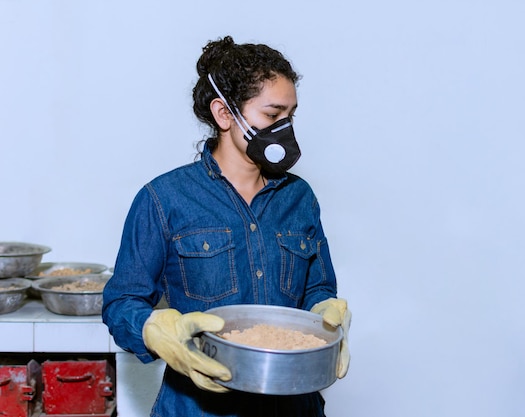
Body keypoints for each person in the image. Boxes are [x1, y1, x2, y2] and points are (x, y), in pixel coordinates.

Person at [102, 35, 351, 417]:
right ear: (223, 115)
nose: (284, 128)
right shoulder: (163, 199)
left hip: (293, 404)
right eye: (272, 115)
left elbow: (316, 287)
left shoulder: (300, 198)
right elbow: (122, 301)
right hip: (197, 407)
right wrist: (151, 328)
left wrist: (326, 310)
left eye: (291, 115)